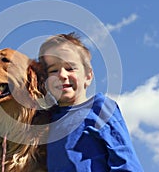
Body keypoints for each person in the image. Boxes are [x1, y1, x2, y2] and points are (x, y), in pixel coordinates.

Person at [38, 32, 143, 172]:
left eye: (70, 68)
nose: (62, 75)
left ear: (88, 76)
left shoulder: (100, 108)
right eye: (53, 70)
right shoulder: (45, 120)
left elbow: (125, 161)